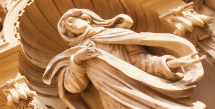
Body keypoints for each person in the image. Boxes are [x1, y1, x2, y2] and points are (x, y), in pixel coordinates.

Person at [44, 9, 204, 109]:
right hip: (112, 97)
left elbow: (141, 62)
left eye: (72, 21)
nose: (71, 27)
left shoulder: (115, 35)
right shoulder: (75, 52)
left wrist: (173, 63)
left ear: (86, 19)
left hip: (140, 90)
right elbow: (74, 88)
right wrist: (77, 62)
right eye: (69, 28)